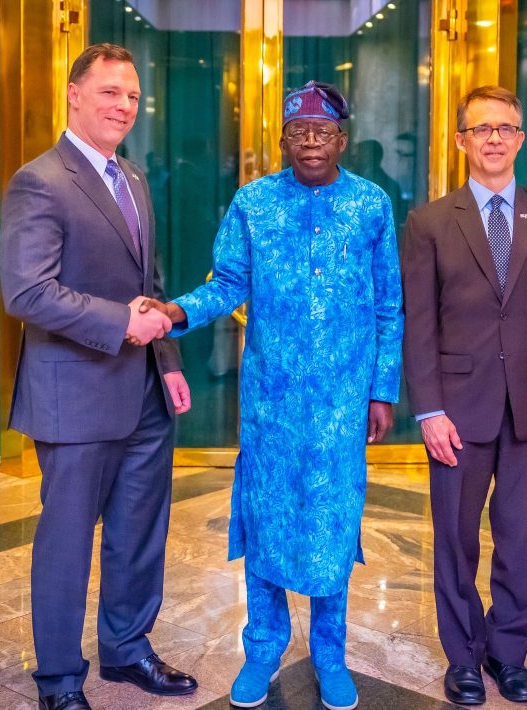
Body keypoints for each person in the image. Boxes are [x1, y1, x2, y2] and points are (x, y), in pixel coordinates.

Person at [141, 80, 403, 710]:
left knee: (333, 522)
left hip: (342, 401)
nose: (311, 142)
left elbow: (388, 304)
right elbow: (228, 282)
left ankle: (331, 654)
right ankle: (262, 648)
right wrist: (177, 312)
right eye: (298, 132)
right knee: (266, 518)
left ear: (342, 140)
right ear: (282, 141)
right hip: (270, 402)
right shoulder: (254, 202)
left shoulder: (370, 204)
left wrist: (381, 389)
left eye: (323, 132)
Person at [0, 43, 194, 710]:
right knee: (67, 544)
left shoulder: (132, 177)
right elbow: (27, 291)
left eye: (133, 95)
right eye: (110, 92)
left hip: (144, 393)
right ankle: (58, 678)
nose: (124, 105)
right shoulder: (40, 180)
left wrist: (167, 360)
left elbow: (150, 285)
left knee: (139, 536)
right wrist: (121, 323)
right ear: (74, 94)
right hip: (75, 396)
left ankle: (128, 649)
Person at [401, 85, 527, 706]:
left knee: (521, 537)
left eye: (505, 128)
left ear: (521, 138)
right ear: (461, 141)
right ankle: (463, 657)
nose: (495, 139)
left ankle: (509, 653)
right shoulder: (429, 222)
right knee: (455, 538)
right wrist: (429, 410)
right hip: (456, 408)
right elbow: (419, 324)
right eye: (481, 129)